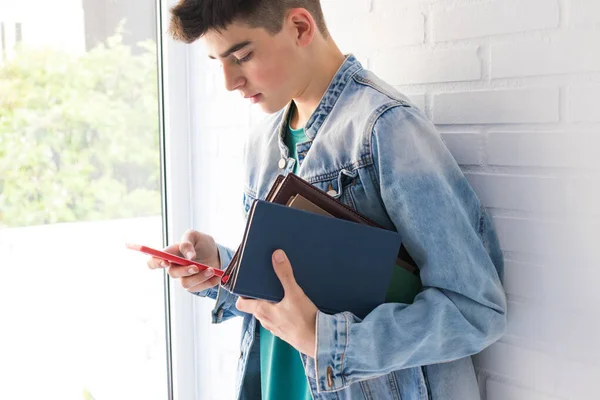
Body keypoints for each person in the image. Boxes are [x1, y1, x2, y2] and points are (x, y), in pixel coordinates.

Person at [146, 1, 507, 399]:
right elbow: (290, 293)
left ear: (301, 27)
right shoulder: (262, 145)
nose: (230, 82)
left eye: (243, 56)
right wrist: (221, 267)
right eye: (218, 62)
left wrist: (331, 342)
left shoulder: (386, 130)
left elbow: (474, 311)